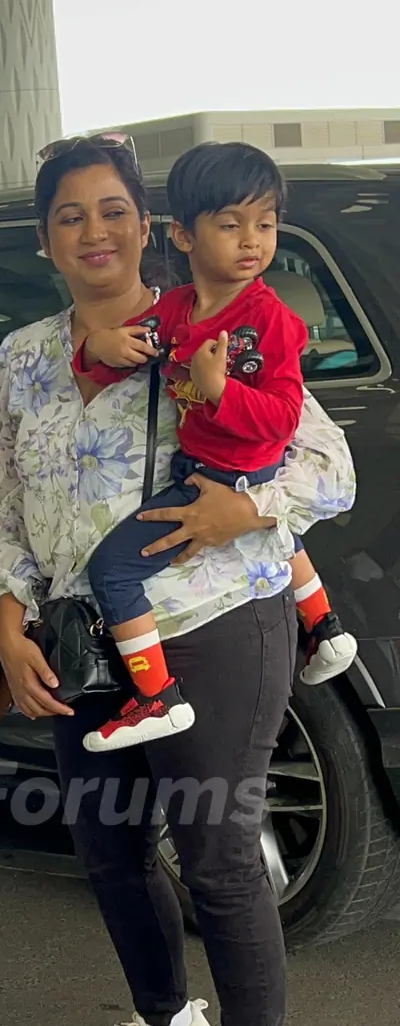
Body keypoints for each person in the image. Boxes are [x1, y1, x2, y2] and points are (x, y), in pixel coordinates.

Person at [0, 134, 356, 1026]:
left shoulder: (214, 322)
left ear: (149, 225)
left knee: (218, 853)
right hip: (81, 639)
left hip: (216, 619)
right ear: (44, 237)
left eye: (111, 210)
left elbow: (327, 466)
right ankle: (163, 1025)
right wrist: (2, 615)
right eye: (68, 215)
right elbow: (7, 506)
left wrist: (245, 508)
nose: (93, 231)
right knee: (106, 847)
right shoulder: (23, 357)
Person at [71, 141, 356, 752]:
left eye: (266, 224)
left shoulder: (271, 321)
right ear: (183, 236)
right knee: (283, 536)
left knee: (113, 569)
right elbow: (131, 349)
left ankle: (156, 696)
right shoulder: (177, 309)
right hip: (206, 465)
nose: (252, 240)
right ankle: (325, 627)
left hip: (236, 474)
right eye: (231, 225)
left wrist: (218, 391)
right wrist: (100, 349)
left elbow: (282, 420)